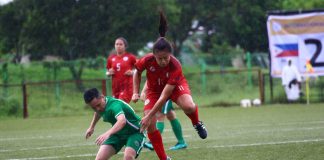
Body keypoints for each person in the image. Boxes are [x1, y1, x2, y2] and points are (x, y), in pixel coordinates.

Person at [132, 11, 207, 160]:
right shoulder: (147, 60)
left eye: (166, 58)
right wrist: (135, 91)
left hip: (173, 87)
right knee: (151, 123)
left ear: (170, 55)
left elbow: (165, 95)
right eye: (160, 58)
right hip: (154, 90)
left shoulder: (175, 66)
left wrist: (149, 115)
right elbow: (137, 72)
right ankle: (163, 158)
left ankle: (197, 123)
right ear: (154, 55)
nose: (163, 61)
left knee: (189, 107)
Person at [84, 88, 145, 160]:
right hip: (118, 133)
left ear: (102, 97)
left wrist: (108, 133)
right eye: (93, 107)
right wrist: (92, 127)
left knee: (128, 157)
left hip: (135, 132)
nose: (97, 109)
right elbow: (98, 113)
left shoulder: (114, 105)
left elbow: (122, 121)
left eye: (98, 105)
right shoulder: (100, 106)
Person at [141, 82, 187, 151]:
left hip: (165, 93)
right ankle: (181, 142)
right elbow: (149, 77)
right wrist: (143, 91)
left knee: (160, 116)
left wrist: (144, 91)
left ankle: (152, 143)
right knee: (171, 115)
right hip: (160, 93)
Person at [106, 37, 137, 103]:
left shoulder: (130, 57)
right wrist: (109, 73)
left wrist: (133, 72)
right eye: (116, 44)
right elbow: (107, 72)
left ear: (125, 46)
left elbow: (139, 68)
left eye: (120, 44)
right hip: (115, 87)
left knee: (120, 104)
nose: (118, 46)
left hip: (127, 87)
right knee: (117, 107)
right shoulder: (111, 58)